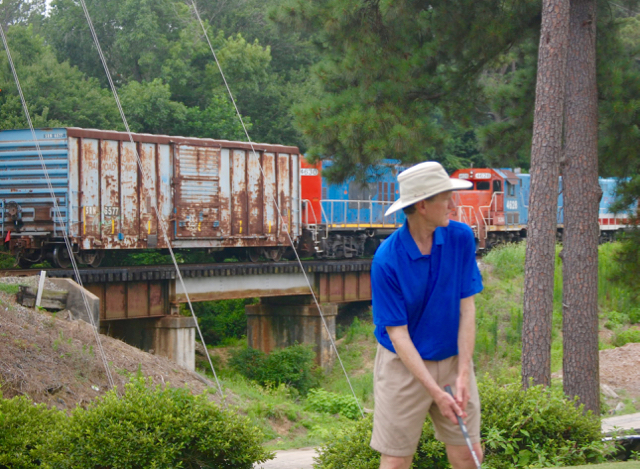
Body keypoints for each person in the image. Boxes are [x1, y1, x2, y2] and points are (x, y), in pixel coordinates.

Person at [370, 161, 483, 469]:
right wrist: (435, 392)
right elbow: (398, 335)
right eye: (445, 196)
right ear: (422, 205)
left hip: (452, 361)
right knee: (395, 461)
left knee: (468, 455)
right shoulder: (386, 260)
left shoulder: (460, 237)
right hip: (403, 367)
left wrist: (462, 374)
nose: (453, 203)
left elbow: (467, 309)